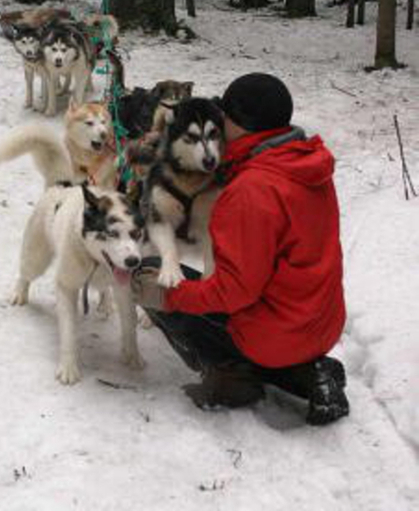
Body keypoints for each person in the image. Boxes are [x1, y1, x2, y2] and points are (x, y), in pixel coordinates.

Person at [133, 72, 349, 426]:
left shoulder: (252, 190)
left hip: (274, 334)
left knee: (155, 274)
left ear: (238, 123)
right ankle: (307, 373)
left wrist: (170, 297)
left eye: (224, 118)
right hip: (321, 324)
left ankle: (231, 377)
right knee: (232, 301)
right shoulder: (302, 163)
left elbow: (233, 292)